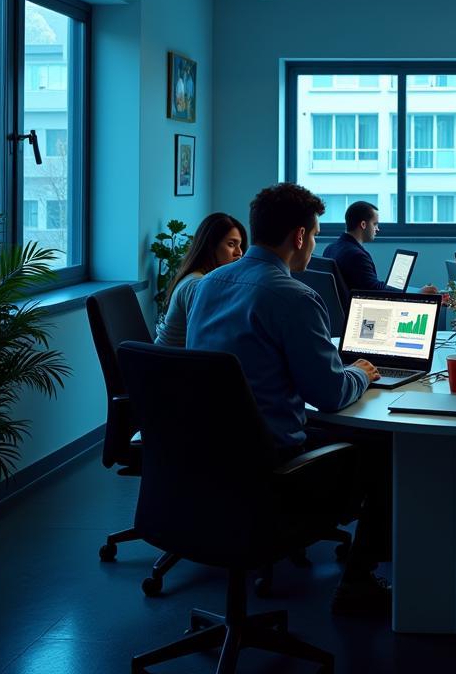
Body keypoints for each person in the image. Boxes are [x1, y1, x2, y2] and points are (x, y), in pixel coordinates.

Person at [186, 182, 391, 616]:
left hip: (207, 455)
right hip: (272, 462)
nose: (314, 244)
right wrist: (359, 371)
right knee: (389, 448)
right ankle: (357, 579)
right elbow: (331, 395)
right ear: (299, 237)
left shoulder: (208, 285)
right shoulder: (293, 295)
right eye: (315, 235)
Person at [154, 212, 245, 348]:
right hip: (168, 364)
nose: (240, 253)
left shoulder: (203, 279)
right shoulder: (196, 284)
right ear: (211, 246)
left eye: (240, 246)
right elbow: (203, 342)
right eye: (231, 244)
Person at [323, 200, 437, 294]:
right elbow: (376, 292)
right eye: (375, 224)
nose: (377, 229)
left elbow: (373, 286)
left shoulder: (330, 248)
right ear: (363, 225)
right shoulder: (356, 256)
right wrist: (417, 293)